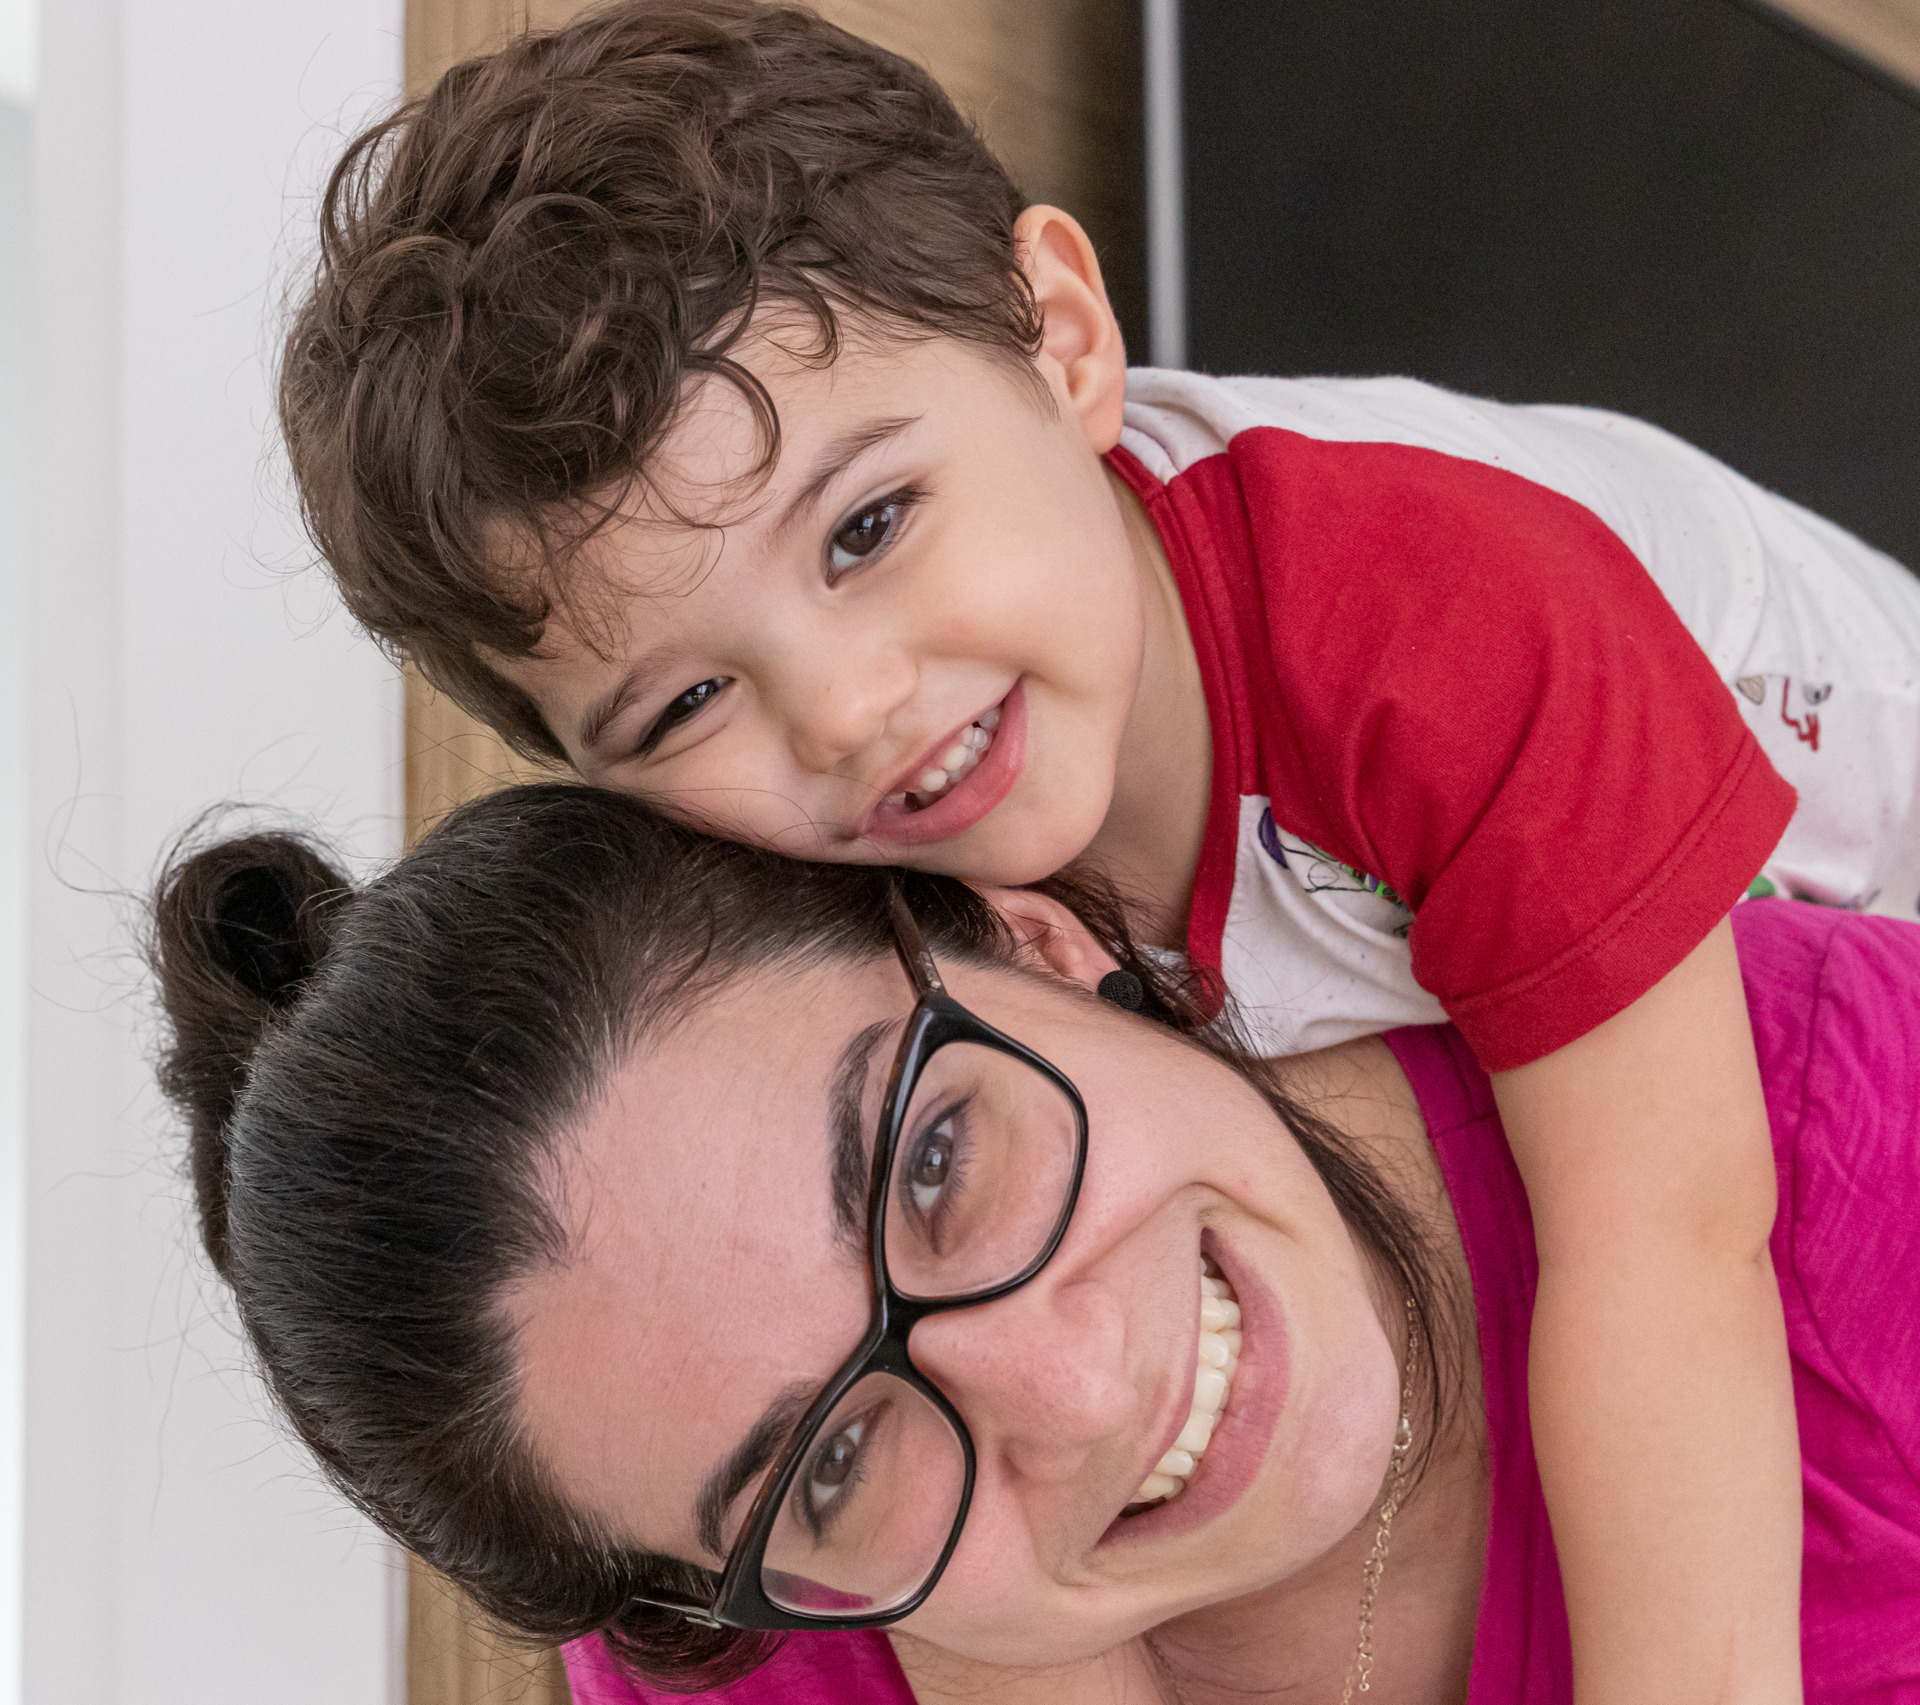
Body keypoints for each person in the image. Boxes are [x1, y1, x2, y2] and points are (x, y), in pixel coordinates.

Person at [272, 5, 1920, 1698]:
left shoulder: (1439, 633)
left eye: (866, 529)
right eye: (688, 695)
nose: (847, 710)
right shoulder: (846, 869)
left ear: (1063, 340)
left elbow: (1667, 1241)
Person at [150, 784, 1920, 1705]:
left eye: (937, 1162)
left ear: (1026, 934)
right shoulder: (788, 1654)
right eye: (836, 1458)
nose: (1072, 1391)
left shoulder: (1828, 1136)